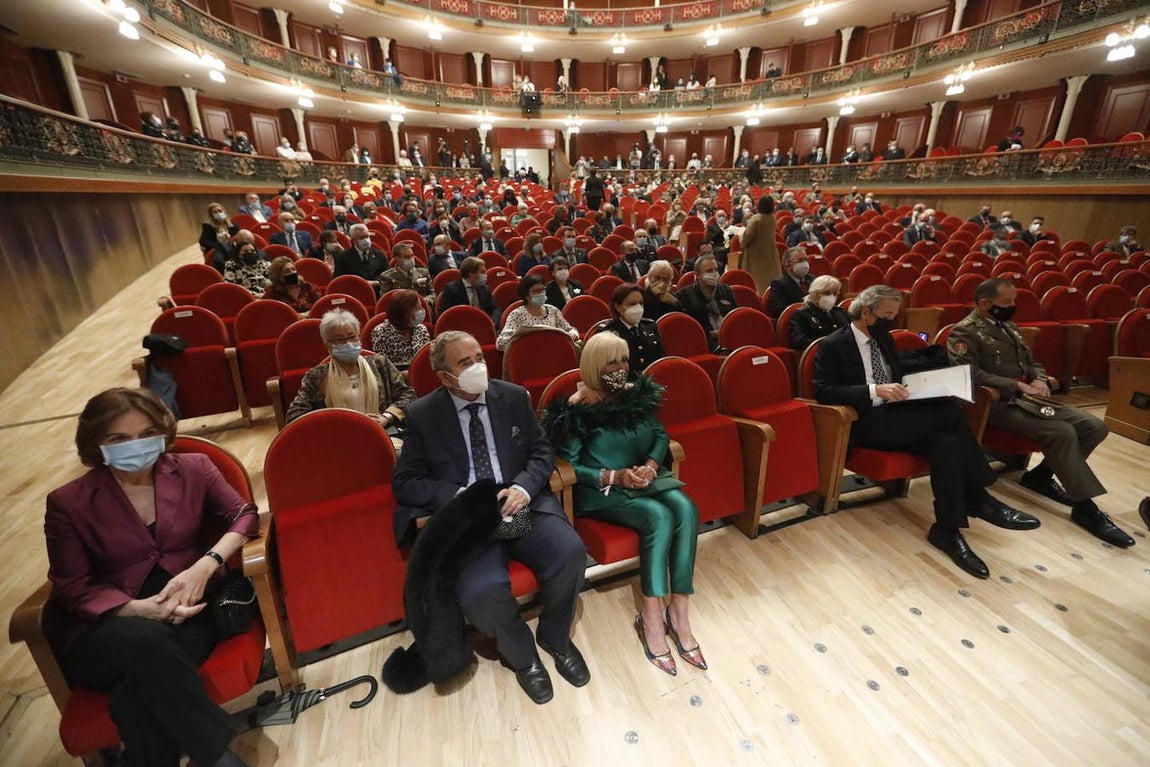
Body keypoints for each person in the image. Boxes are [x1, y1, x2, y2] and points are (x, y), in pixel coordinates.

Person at [46, 388, 258, 767]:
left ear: (162, 430)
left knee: (134, 694)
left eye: (146, 434)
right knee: (148, 640)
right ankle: (218, 757)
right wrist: (137, 610)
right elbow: (72, 588)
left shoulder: (194, 468)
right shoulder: (68, 502)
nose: (136, 445)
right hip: (109, 625)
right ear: (96, 443)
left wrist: (206, 563)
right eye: (118, 439)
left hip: (189, 606)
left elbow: (244, 515)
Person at [392, 331, 590, 704]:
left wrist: (524, 488)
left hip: (518, 505)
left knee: (569, 553)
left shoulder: (512, 397)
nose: (477, 367)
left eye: (478, 358)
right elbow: (406, 483)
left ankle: (554, 635)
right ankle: (523, 655)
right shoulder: (423, 415)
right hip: (471, 523)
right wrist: (458, 497)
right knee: (480, 591)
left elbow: (541, 451)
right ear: (444, 376)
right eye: (464, 363)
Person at [813, 285, 1039, 579]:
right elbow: (824, 391)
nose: (892, 321)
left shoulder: (882, 337)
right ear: (866, 312)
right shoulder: (833, 344)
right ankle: (979, 495)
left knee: (945, 442)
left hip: (898, 414)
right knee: (947, 413)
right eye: (887, 315)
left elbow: (899, 370)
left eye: (895, 315)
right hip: (867, 420)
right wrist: (874, 390)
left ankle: (947, 529)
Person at [542, 333, 704, 676]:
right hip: (604, 491)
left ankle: (679, 613)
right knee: (660, 517)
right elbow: (569, 465)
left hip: (643, 478)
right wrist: (614, 476)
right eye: (612, 362)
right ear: (595, 365)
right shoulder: (577, 407)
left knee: (687, 510)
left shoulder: (635, 395)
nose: (621, 368)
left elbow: (659, 435)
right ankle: (650, 619)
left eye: (625, 360)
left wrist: (648, 463)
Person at [947, 278, 1135, 547]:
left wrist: (1040, 379)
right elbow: (968, 373)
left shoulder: (1008, 326)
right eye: (1006, 302)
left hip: (1029, 399)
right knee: (1061, 432)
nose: (1013, 307)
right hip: (998, 404)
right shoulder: (964, 331)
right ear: (984, 304)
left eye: (1014, 301)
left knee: (1094, 427)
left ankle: (1040, 476)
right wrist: (1017, 385)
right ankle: (1085, 507)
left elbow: (1031, 360)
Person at [286, 309, 414, 425]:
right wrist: (332, 422)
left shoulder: (380, 364)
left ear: (359, 337)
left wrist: (387, 417)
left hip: (382, 430)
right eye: (339, 339)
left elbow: (408, 395)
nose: (348, 343)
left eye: (352, 337)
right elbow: (294, 415)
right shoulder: (316, 376)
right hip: (336, 439)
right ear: (328, 344)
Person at [496, 276, 580, 351]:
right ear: (526, 295)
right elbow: (501, 343)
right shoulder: (517, 314)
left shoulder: (553, 310)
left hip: (554, 352)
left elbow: (570, 330)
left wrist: (571, 336)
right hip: (529, 355)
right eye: (535, 291)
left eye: (542, 290)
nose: (541, 293)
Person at [598, 283, 665, 378]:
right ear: (618, 307)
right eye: (632, 304)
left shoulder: (650, 326)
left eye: (641, 303)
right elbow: (605, 369)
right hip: (624, 386)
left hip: (654, 383)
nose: (638, 308)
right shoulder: (607, 332)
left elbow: (661, 359)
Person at [677, 254, 736, 350]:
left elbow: (735, 317)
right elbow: (689, 329)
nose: (714, 274)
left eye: (716, 270)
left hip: (731, 337)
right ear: (698, 274)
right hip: (705, 343)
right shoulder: (685, 296)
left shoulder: (725, 290)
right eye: (709, 271)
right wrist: (715, 333)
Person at [371, 289, 430, 369]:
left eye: (421, 306)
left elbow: (426, 360)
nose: (422, 310)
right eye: (417, 308)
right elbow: (382, 368)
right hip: (393, 379)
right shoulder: (381, 332)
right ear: (404, 313)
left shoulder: (421, 329)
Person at [787, 275, 850, 351]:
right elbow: (799, 341)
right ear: (815, 294)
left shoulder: (839, 312)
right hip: (820, 355)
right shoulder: (801, 315)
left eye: (835, 294)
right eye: (827, 293)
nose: (832, 297)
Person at [438, 256, 498, 321]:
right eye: (482, 272)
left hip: (482, 326)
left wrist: (493, 322)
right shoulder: (451, 289)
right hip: (461, 326)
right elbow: (444, 314)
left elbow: (496, 308)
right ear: (471, 273)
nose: (485, 275)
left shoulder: (485, 289)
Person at [333, 223, 386, 288]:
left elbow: (388, 276)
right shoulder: (342, 257)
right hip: (354, 291)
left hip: (377, 291)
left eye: (367, 236)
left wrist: (377, 282)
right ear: (353, 240)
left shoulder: (380, 255)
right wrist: (360, 284)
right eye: (362, 238)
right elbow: (338, 281)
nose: (366, 240)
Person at [766, 246, 813, 317]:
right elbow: (780, 310)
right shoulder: (779, 284)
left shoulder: (813, 279)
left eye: (806, 260)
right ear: (787, 265)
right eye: (800, 261)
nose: (805, 264)